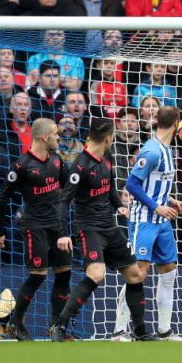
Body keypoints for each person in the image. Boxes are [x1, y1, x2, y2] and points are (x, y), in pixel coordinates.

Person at [51, 119, 150, 342]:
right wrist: (63, 233)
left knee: (135, 275)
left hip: (109, 226)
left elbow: (110, 188)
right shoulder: (80, 166)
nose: (112, 140)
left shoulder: (107, 158)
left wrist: (120, 207)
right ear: (107, 138)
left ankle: (141, 332)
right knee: (96, 274)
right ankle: (59, 326)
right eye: (112, 136)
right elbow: (63, 201)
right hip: (89, 227)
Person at [113, 106, 182, 341]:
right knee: (139, 273)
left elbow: (155, 185)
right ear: (177, 123)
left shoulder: (168, 150)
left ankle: (165, 330)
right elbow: (132, 185)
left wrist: (172, 200)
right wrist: (157, 206)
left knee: (169, 271)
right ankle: (118, 330)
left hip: (162, 221)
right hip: (145, 220)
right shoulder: (152, 151)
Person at [0, 118, 70, 340]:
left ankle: (56, 327)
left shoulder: (57, 161)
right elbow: (3, 198)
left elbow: (70, 186)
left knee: (64, 274)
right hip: (35, 226)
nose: (58, 138)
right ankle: (16, 323)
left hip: (57, 226)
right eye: (55, 134)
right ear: (44, 137)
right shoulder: (21, 166)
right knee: (38, 275)